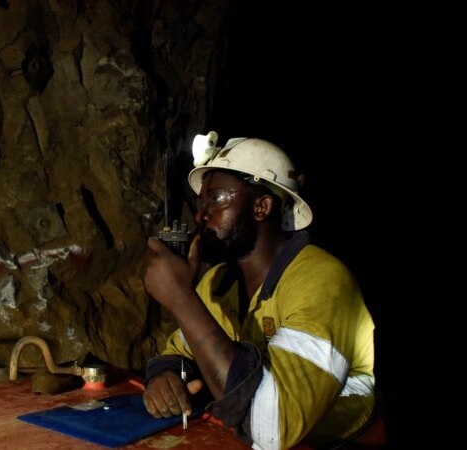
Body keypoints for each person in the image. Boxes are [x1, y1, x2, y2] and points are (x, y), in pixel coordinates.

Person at [142, 135, 377, 449]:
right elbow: (179, 352)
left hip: (337, 442)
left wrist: (181, 299)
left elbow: (273, 427)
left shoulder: (323, 281)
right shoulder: (218, 282)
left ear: (262, 206)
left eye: (217, 197)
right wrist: (164, 378)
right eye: (201, 202)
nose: (201, 214)